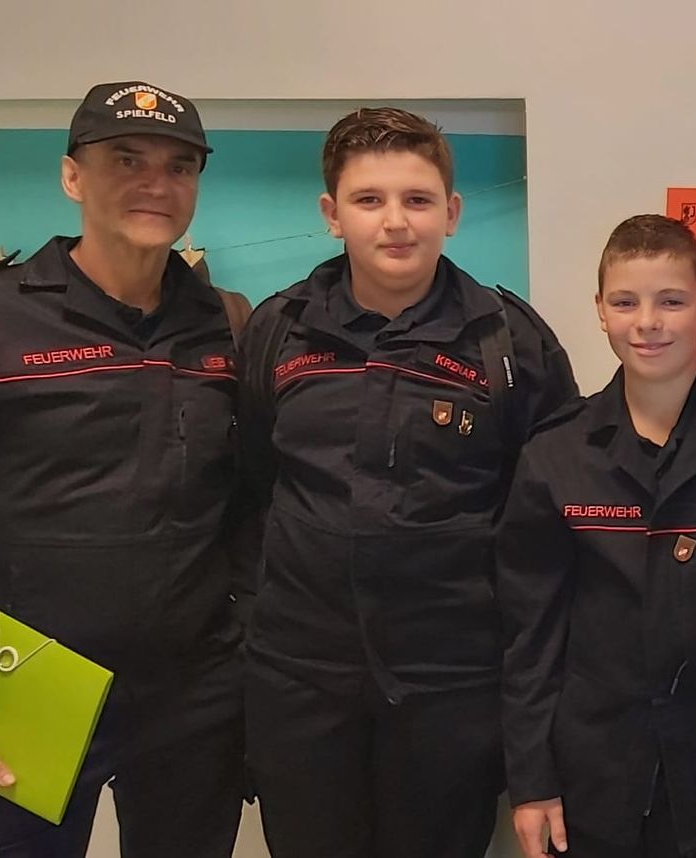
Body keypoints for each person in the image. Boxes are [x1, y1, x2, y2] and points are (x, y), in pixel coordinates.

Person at [0, 80, 248, 856]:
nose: (156, 183)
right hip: (29, 686)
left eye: (180, 166)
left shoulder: (230, 323)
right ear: (72, 176)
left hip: (192, 696)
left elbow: (251, 508)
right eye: (126, 159)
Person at [234, 107, 576, 857]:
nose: (395, 222)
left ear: (451, 212)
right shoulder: (277, 331)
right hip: (300, 681)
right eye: (369, 199)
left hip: (451, 684)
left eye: (417, 200)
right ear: (332, 215)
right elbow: (253, 485)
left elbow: (545, 521)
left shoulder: (509, 342)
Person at [499, 214, 696, 858]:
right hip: (587, 777)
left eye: (671, 301)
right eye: (625, 302)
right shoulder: (556, 452)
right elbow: (530, 634)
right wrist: (530, 779)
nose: (647, 322)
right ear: (600, 311)